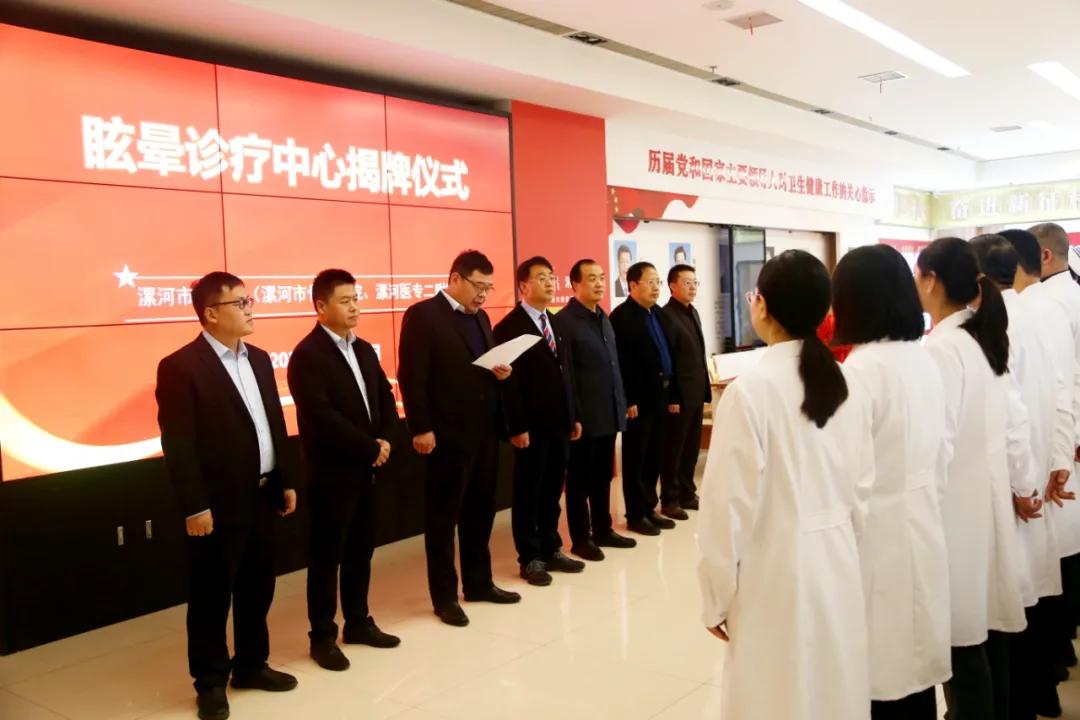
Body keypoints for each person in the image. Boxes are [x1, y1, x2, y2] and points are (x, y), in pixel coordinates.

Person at [697, 249, 874, 720]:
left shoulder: (749, 392)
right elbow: (863, 489)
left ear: (762, 306)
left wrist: (715, 598)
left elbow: (725, 510)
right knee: (832, 689)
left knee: (775, 695)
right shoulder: (848, 383)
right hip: (838, 561)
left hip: (773, 571)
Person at [155, 272, 298, 720]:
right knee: (212, 596)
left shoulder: (259, 359)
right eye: (240, 303)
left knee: (258, 587)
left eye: (249, 300)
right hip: (216, 504)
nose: (250, 309)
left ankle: (252, 665)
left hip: (262, 494)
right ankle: (211, 682)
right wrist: (195, 505)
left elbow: (273, 423)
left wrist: (285, 479)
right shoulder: (181, 367)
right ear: (211, 313)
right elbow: (179, 444)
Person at [833, 245, 952, 719]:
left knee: (880, 674)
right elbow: (943, 450)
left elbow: (849, 480)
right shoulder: (922, 359)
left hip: (876, 540)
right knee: (914, 669)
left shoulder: (859, 372)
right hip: (922, 525)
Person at [914, 237, 1030, 720]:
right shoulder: (977, 338)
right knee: (984, 635)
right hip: (982, 508)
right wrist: (1023, 484)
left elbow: (936, 446)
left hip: (955, 517)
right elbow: (1015, 421)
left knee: (961, 643)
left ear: (932, 281)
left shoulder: (943, 348)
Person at [972, 235, 1072, 719]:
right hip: (1037, 478)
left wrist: (1024, 483)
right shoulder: (1044, 312)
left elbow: (1007, 416)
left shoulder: (985, 327)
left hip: (1012, 487)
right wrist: (1058, 461)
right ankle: (1039, 696)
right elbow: (1064, 389)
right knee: (1031, 601)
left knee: (1007, 611)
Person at [286, 269, 401, 673]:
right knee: (326, 557)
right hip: (332, 473)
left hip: (369, 467)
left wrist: (386, 440)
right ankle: (322, 636)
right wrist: (369, 448)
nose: (355, 307)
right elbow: (320, 417)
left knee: (360, 549)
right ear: (321, 306)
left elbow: (385, 396)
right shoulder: (307, 355)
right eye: (345, 300)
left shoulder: (364, 349)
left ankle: (358, 622)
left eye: (356, 299)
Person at [397, 250, 519, 627]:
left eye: (489, 287)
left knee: (480, 511)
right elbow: (411, 375)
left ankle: (479, 582)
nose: (483, 294)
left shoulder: (481, 317)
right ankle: (445, 596)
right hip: (445, 435)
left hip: (483, 431)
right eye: (478, 286)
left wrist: (500, 371)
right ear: (455, 279)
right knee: (442, 518)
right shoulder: (423, 315)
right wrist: (420, 427)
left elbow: (478, 366)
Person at [493, 257, 585, 586]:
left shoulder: (556, 322)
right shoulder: (508, 327)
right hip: (530, 427)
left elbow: (567, 373)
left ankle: (551, 547)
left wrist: (574, 414)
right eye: (542, 277)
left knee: (551, 490)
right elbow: (508, 385)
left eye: (552, 277)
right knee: (528, 492)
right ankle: (529, 557)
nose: (550, 283)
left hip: (559, 422)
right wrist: (516, 427)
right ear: (523, 285)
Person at [555, 259, 637, 561]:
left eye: (601, 277)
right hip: (584, 418)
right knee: (579, 481)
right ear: (575, 284)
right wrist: (574, 415)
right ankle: (580, 538)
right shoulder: (565, 322)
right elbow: (567, 377)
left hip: (608, 412)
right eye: (591, 278)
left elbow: (614, 365)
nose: (599, 283)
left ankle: (603, 529)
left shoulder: (603, 317)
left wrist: (622, 402)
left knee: (603, 477)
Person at [1029, 222, 1080, 692]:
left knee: (1059, 554)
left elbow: (1064, 380)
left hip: (1064, 440)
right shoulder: (1066, 297)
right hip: (1067, 437)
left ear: (1044, 257)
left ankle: (1057, 654)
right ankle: (1060, 651)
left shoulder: (1047, 304)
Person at [609, 261, 681, 534]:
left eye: (657, 282)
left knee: (654, 456)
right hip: (638, 400)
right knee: (636, 458)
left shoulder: (658, 313)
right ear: (633, 285)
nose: (656, 287)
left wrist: (672, 394)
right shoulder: (621, 317)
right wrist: (628, 400)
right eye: (650, 282)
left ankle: (650, 508)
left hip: (660, 395)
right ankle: (636, 514)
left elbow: (668, 354)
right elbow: (620, 363)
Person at [661, 264, 711, 513]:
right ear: (673, 285)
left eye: (695, 282)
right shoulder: (666, 315)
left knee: (692, 447)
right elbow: (668, 360)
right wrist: (672, 395)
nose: (693, 287)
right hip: (679, 395)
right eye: (687, 282)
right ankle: (670, 499)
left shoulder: (693, 312)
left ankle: (687, 493)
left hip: (696, 391)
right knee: (674, 449)